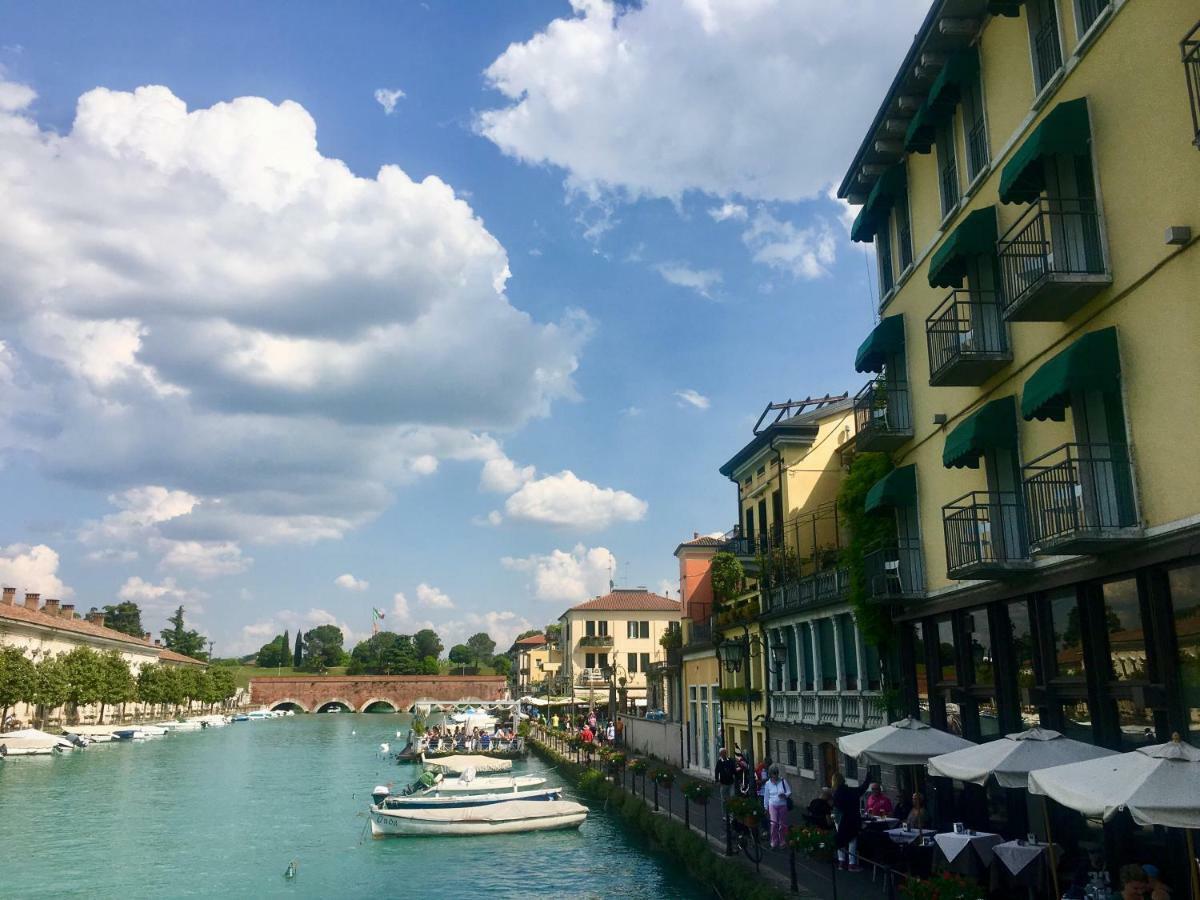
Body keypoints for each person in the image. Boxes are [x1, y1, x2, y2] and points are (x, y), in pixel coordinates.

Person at [831, 772, 868, 872]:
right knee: (852, 839)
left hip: (838, 818)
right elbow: (860, 790)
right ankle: (852, 863)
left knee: (841, 838)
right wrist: (867, 779)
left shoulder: (835, 793)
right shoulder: (848, 790)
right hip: (849, 818)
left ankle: (841, 862)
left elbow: (836, 806)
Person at [761, 764, 793, 849]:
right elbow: (766, 796)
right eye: (773, 774)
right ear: (770, 774)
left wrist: (785, 795)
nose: (775, 775)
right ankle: (773, 841)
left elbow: (789, 791)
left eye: (776, 773)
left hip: (782, 805)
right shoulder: (768, 784)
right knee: (774, 823)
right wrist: (765, 807)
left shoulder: (783, 781)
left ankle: (782, 841)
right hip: (773, 805)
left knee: (782, 824)